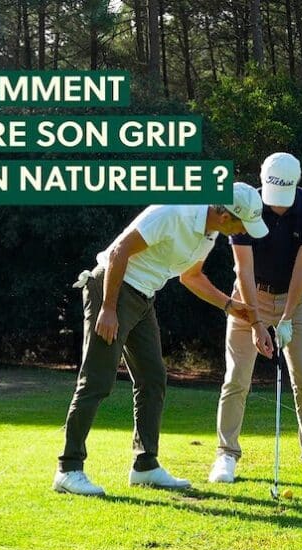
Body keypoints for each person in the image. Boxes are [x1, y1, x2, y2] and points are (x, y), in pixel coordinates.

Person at [53, 182, 269, 496]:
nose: (243, 232)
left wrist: (229, 305)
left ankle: (145, 465)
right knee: (97, 379)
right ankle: (68, 468)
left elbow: (191, 276)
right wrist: (108, 308)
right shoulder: (174, 211)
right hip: (112, 289)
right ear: (225, 217)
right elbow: (119, 251)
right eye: (242, 225)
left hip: (143, 298)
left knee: (153, 378)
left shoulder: (208, 234)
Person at [208, 152, 302, 485]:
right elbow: (243, 270)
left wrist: (287, 318)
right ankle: (226, 454)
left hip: (295, 299)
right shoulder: (244, 204)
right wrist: (256, 322)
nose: (277, 205)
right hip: (249, 297)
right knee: (236, 377)